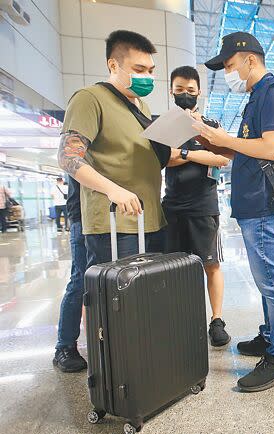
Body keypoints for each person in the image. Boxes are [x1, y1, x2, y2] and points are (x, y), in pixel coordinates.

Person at [195, 31, 274, 392]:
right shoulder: (256, 97)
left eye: (229, 65)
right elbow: (246, 151)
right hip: (254, 204)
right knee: (265, 280)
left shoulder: (272, 95)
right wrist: (212, 140)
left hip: (265, 205)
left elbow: (272, 148)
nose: (227, 73)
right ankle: (272, 335)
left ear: (250, 60)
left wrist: (224, 140)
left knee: (273, 281)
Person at [58, 30, 180, 269]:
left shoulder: (141, 106)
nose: (148, 77)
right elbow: (68, 156)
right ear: (113, 65)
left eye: (151, 70)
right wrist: (113, 190)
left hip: (150, 219)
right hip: (115, 223)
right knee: (116, 299)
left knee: (146, 297)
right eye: (139, 69)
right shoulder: (89, 99)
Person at [163, 65, 231, 348]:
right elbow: (165, 159)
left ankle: (216, 320)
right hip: (173, 206)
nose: (185, 95)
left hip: (204, 206)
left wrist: (187, 153)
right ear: (171, 92)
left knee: (211, 264)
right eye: (179, 91)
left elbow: (223, 158)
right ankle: (180, 319)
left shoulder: (212, 125)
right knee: (173, 267)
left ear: (199, 92)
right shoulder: (165, 125)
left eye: (190, 91)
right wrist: (201, 154)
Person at [53, 176, 88, 372]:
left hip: (119, 216)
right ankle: (64, 346)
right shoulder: (77, 146)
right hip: (83, 217)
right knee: (80, 281)